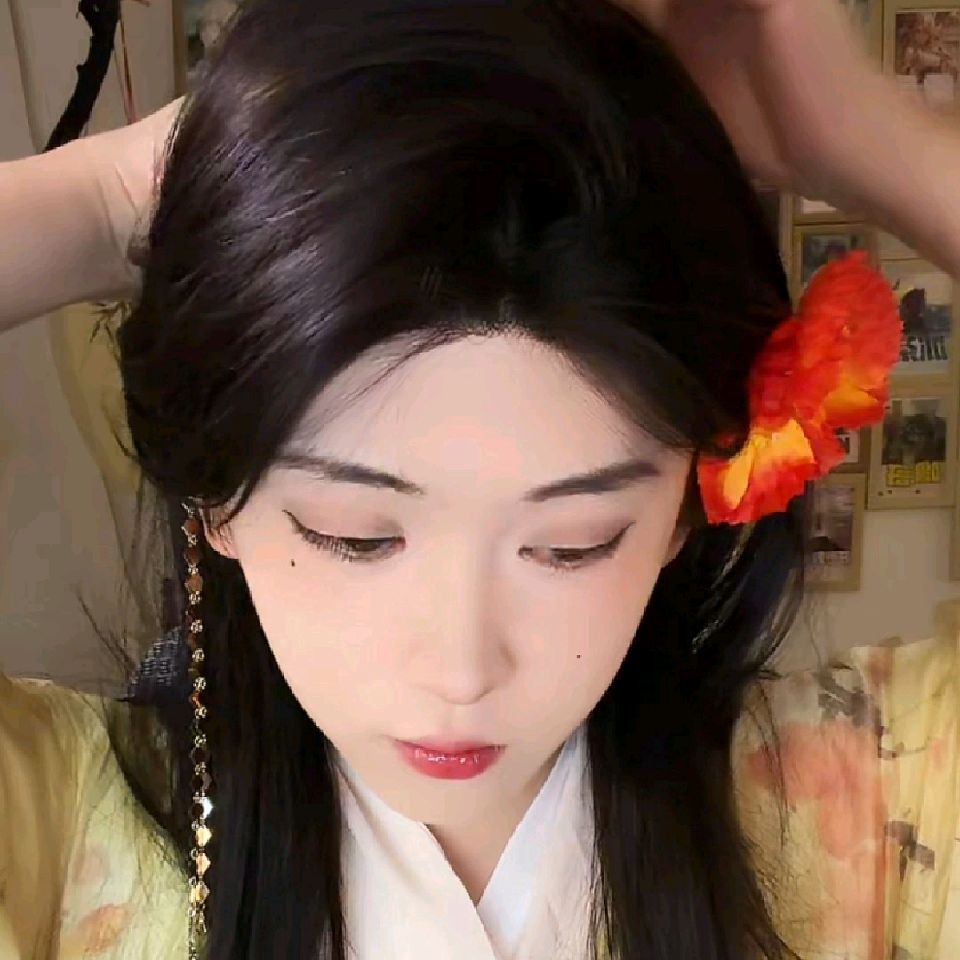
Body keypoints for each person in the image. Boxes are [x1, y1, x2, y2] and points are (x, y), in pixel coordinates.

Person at [0, 3, 957, 960]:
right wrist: (113, 197)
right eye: (354, 534)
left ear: (685, 503)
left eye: (573, 544)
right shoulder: (59, 828)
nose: (461, 672)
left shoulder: (874, 808)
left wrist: (866, 137)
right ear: (216, 495)